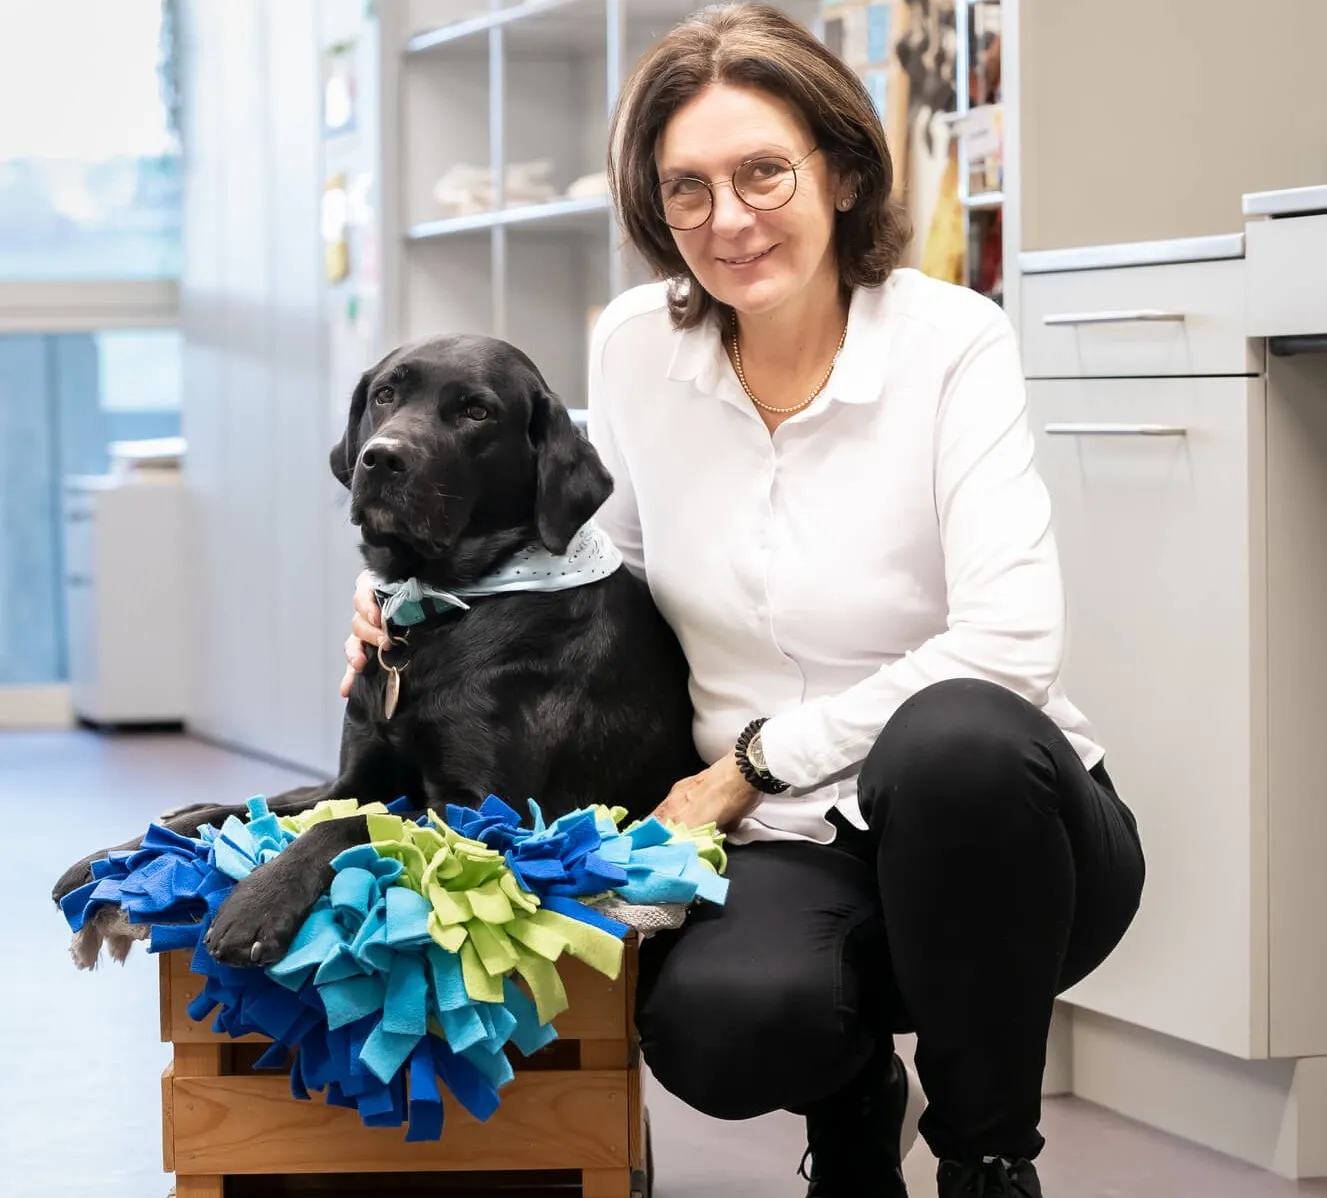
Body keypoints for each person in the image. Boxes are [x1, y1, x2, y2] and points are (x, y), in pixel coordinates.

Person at [340, 5, 1145, 1196]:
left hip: (1007, 843)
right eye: (687, 188)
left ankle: (984, 1158)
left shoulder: (949, 340)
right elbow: (579, 563)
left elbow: (1010, 640)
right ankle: (853, 1091)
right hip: (773, 843)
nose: (728, 219)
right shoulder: (631, 348)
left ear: (842, 170)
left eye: (762, 170)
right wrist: (403, 602)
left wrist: (751, 764)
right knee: (716, 1031)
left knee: (956, 736)